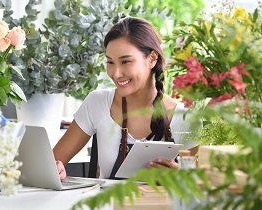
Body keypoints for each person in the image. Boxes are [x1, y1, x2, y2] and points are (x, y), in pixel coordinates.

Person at [53, 17, 198, 180]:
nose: (116, 73)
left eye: (126, 61)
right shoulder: (98, 103)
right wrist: (55, 170)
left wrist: (180, 177)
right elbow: (51, 165)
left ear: (152, 59)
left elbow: (205, 187)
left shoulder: (185, 119)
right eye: (110, 62)